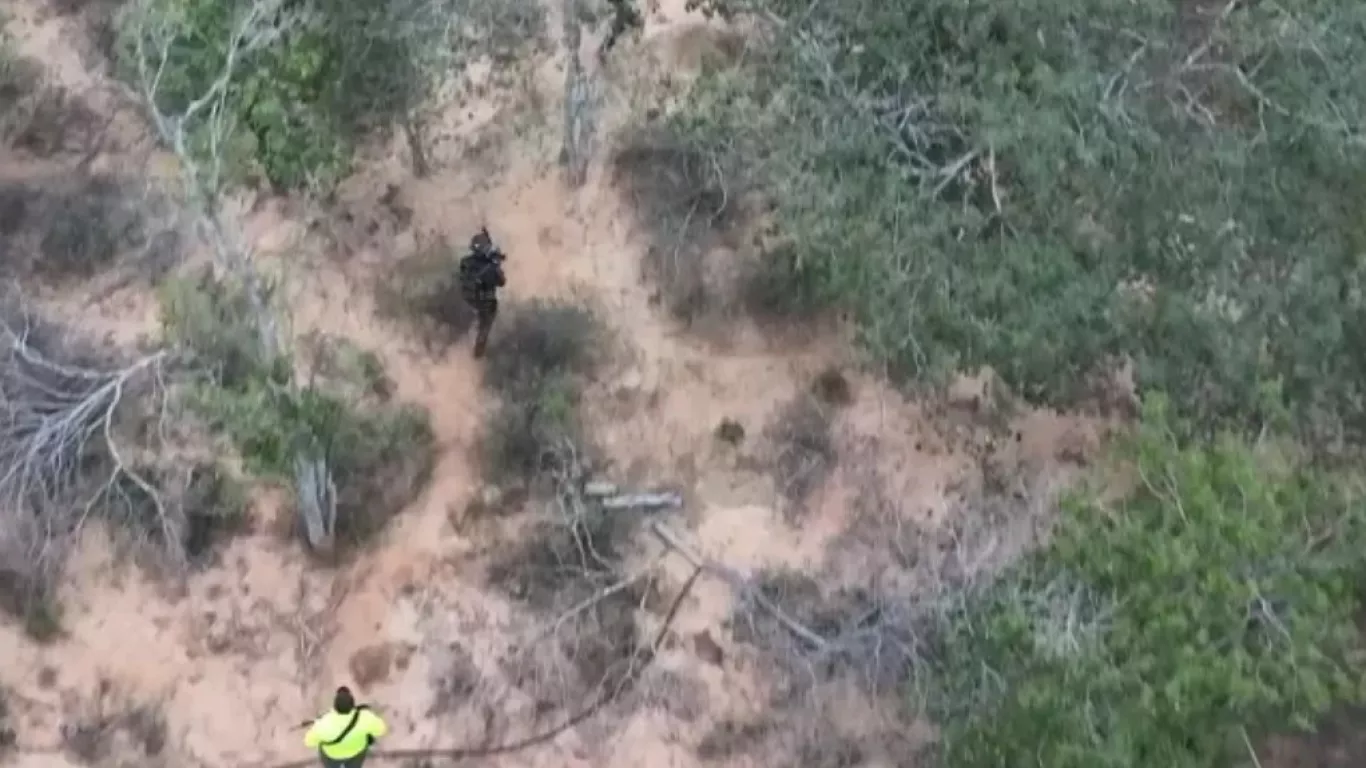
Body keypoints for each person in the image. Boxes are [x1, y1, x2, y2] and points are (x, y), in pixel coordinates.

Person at [303, 686, 388, 768]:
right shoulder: (366, 718)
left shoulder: (322, 724)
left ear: (335, 706)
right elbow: (382, 730)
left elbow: (308, 742)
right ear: (353, 705)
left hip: (332, 755)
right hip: (356, 753)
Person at [458, 227, 508, 358]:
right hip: (484, 304)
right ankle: (478, 352)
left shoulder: (466, 262)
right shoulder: (490, 268)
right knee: (485, 325)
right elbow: (502, 282)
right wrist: (495, 264)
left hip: (467, 301)